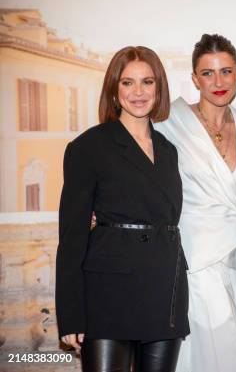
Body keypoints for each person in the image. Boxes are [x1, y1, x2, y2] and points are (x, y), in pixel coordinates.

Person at [56, 46, 188, 372]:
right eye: (128, 83)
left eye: (147, 82)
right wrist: (71, 314)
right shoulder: (88, 147)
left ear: (160, 89)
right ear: (114, 90)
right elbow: (71, 236)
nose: (138, 92)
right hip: (107, 296)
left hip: (163, 293)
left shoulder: (169, 150)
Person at [156, 33, 236, 372]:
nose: (218, 81)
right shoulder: (169, 123)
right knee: (205, 352)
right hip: (194, 259)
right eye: (208, 73)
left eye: (226, 71)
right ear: (194, 78)